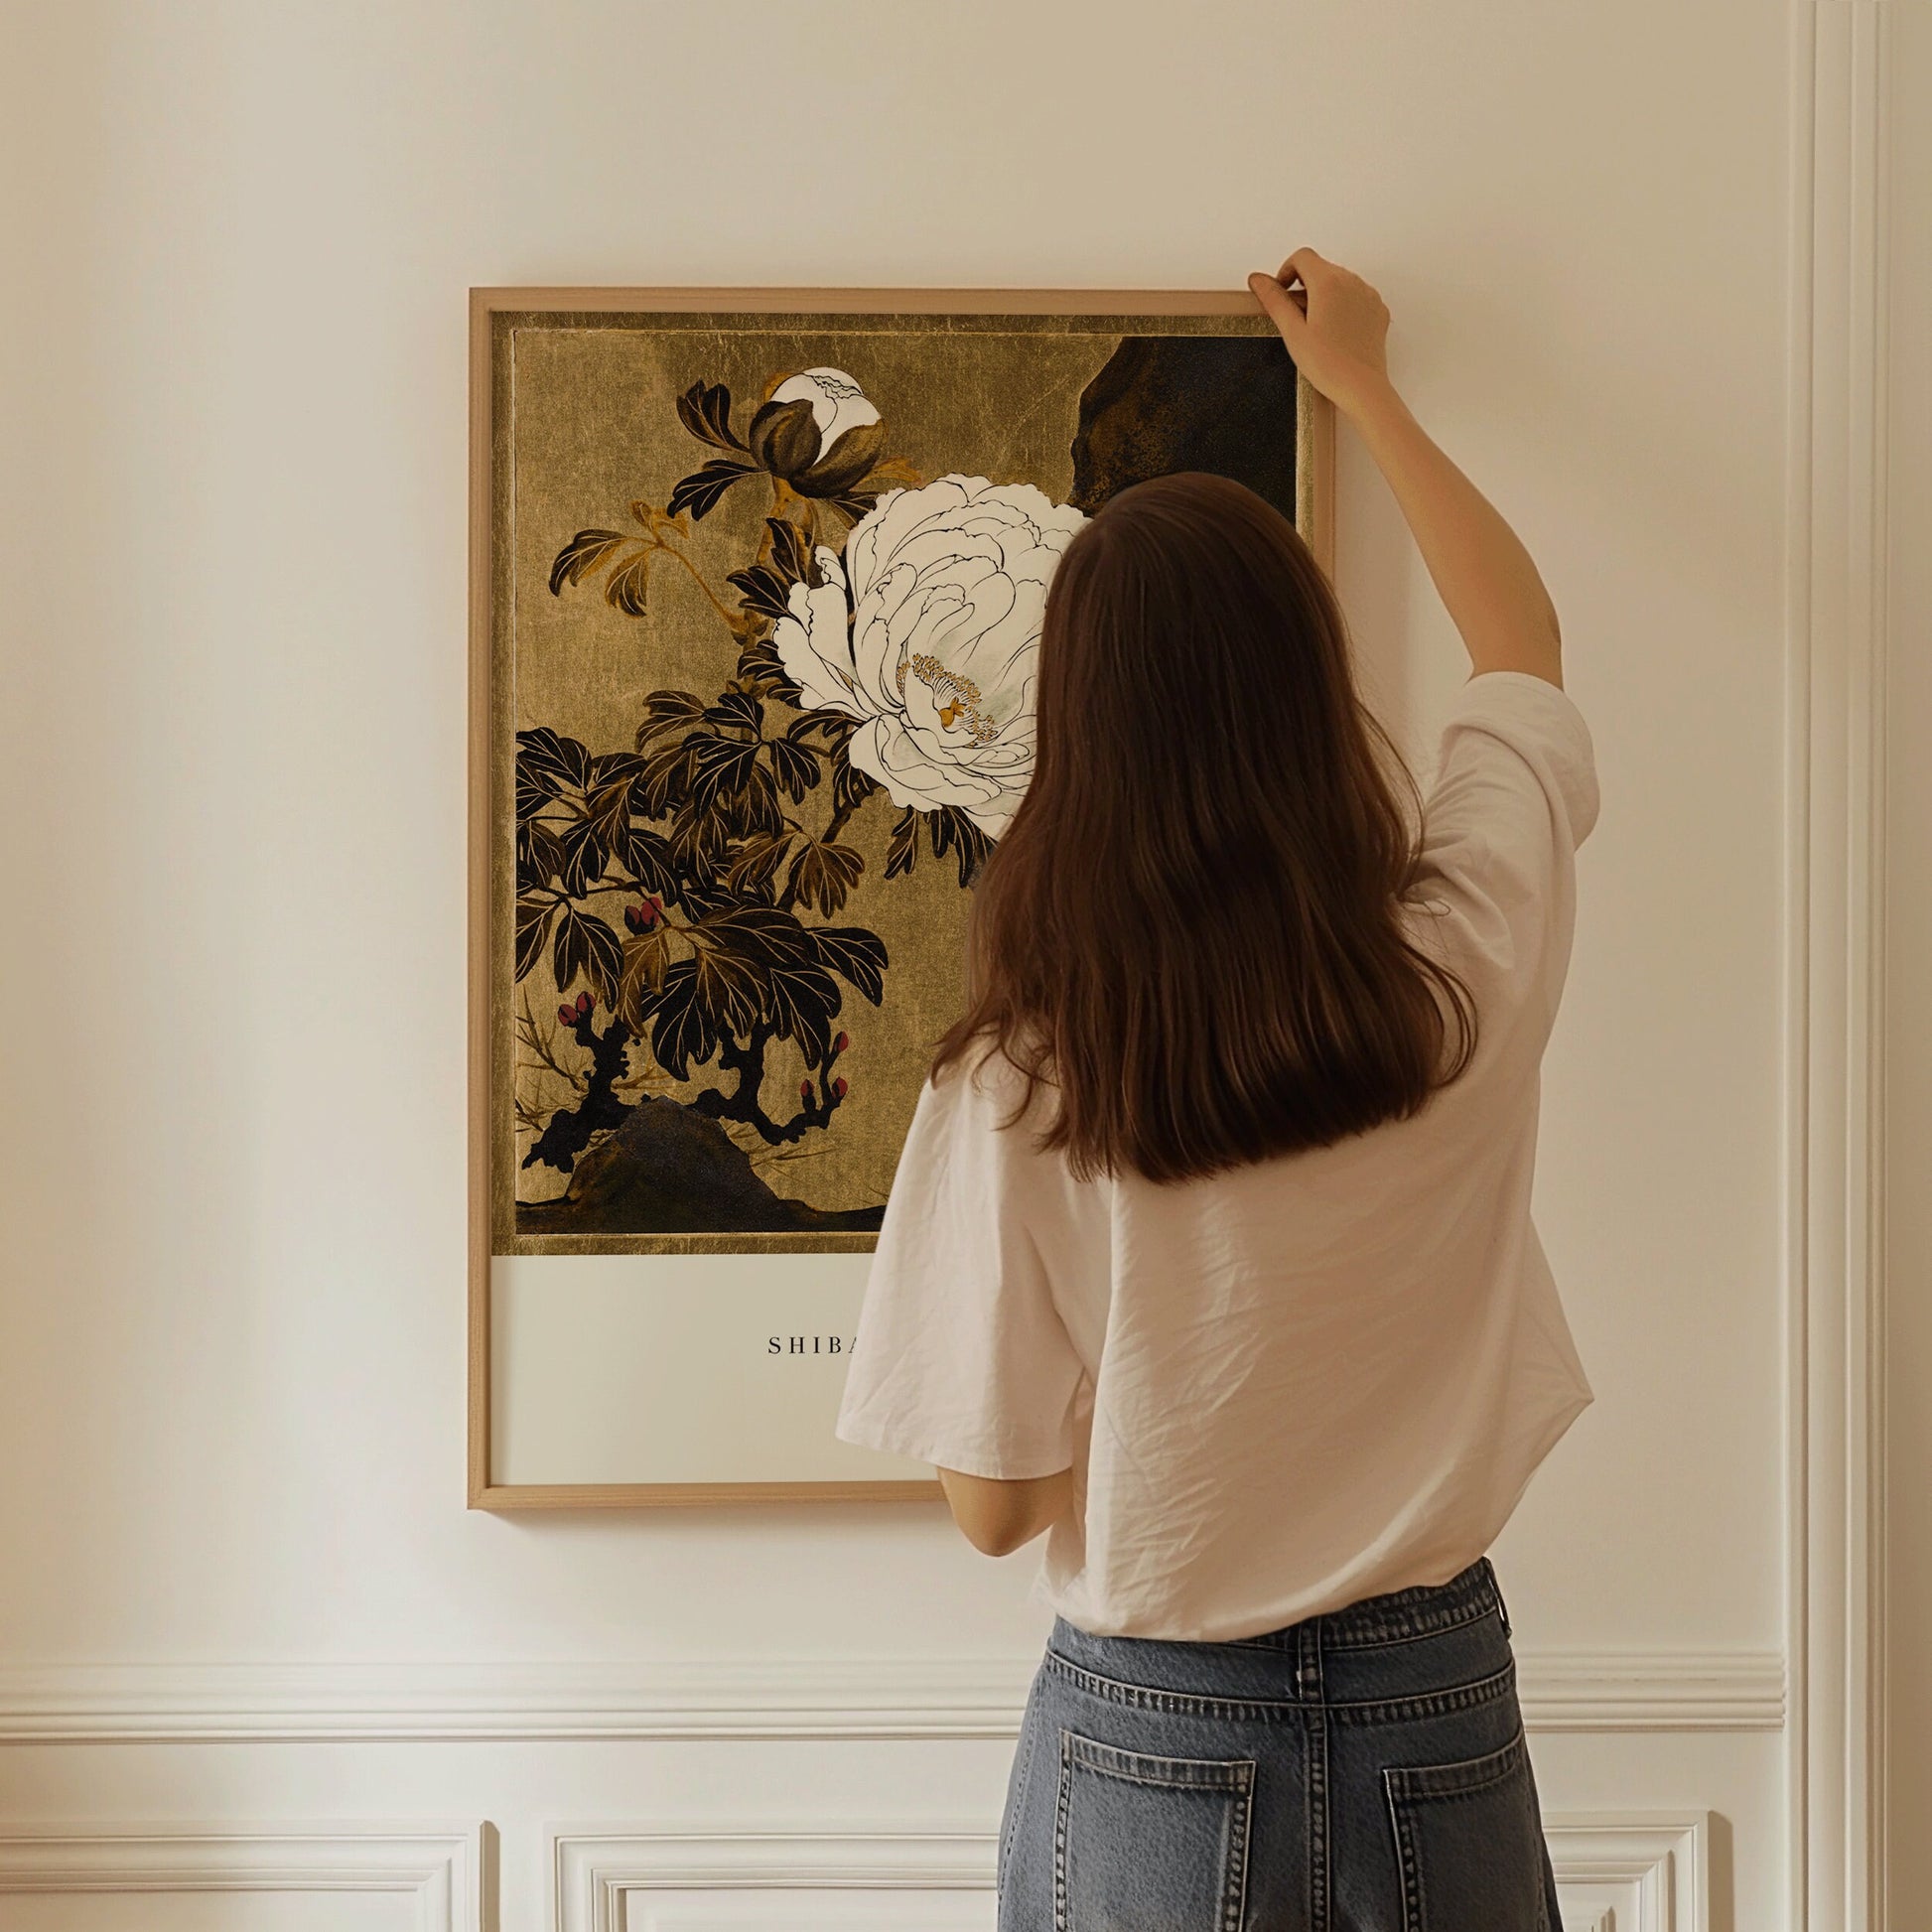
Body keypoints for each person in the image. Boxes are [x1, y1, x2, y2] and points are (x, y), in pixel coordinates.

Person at [834, 247, 1596, 1932]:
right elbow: (1520, 646)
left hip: (1151, 1733)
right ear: (1309, 690)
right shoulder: (1461, 957)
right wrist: (1366, 389)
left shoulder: (1026, 1075)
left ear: (1078, 728)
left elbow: (992, 1506)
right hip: (1434, 1702)